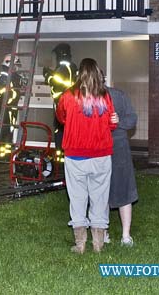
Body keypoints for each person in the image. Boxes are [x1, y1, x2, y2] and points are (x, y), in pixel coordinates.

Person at [56, 58, 118, 254]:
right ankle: (98, 244)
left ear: (79, 74)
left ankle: (80, 243)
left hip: (76, 157)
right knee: (100, 198)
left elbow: (61, 117)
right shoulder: (105, 96)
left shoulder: (68, 96)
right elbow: (112, 124)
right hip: (101, 156)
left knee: (77, 198)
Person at [104, 83, 138, 247]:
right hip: (96, 150)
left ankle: (126, 235)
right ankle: (102, 232)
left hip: (119, 148)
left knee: (124, 189)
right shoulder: (85, 97)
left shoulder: (118, 95)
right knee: (99, 193)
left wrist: (119, 121)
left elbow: (132, 119)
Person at [42, 43, 77, 153]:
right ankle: (66, 151)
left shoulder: (62, 68)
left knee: (59, 128)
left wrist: (48, 75)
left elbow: (55, 83)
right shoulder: (72, 67)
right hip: (71, 102)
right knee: (69, 127)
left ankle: (60, 153)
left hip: (61, 103)